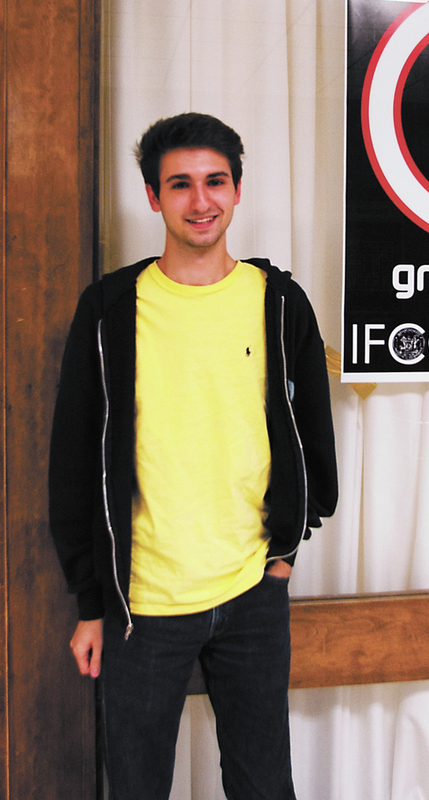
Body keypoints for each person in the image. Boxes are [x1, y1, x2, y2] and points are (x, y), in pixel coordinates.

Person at [49, 112, 338, 800]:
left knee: (264, 786)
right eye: (180, 184)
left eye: (215, 181)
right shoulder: (110, 309)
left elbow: (312, 436)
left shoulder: (279, 303)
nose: (200, 200)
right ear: (153, 197)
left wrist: (284, 555)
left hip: (252, 592)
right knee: (137, 787)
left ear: (237, 190)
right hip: (142, 606)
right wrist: (91, 602)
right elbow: (74, 460)